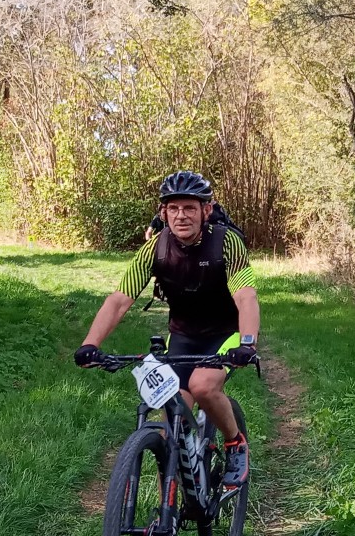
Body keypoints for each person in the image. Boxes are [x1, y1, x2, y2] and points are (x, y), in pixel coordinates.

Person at [76, 170, 260, 489]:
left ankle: (235, 443)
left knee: (203, 386)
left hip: (225, 333)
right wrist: (90, 344)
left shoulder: (225, 242)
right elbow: (119, 300)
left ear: (206, 210)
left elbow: (246, 296)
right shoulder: (155, 249)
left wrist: (247, 344)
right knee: (171, 427)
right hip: (184, 336)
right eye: (173, 208)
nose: (181, 215)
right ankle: (171, 507)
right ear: (164, 213)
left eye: (189, 207)